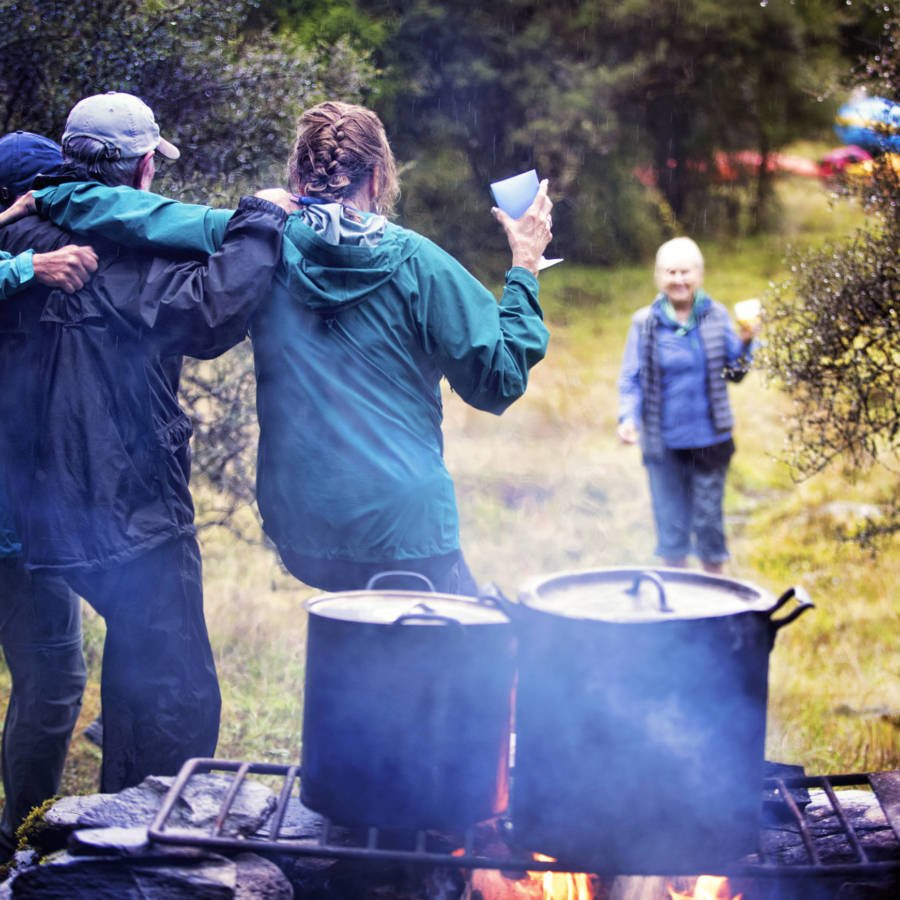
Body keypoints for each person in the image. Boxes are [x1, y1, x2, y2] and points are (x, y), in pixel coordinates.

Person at [12, 100, 553, 595]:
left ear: (296, 175)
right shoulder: (421, 263)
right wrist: (524, 267)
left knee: (353, 657)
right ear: (381, 175)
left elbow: (145, 215)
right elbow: (498, 381)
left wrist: (55, 193)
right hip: (406, 532)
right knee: (472, 652)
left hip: (303, 531)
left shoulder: (256, 236)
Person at [0, 92, 287, 794]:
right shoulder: (104, 249)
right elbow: (209, 313)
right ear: (145, 166)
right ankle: (139, 844)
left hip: (39, 505)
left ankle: (55, 832)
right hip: (116, 501)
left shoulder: (23, 229)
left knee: (88, 672)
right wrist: (261, 223)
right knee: (173, 690)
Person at [0, 131, 91, 860]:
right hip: (14, 531)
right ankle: (25, 837)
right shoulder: (30, 268)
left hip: (23, 522)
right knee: (56, 677)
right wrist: (28, 261)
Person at [616, 237, 759, 574]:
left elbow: (735, 372)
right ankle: (678, 611)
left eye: (686, 272)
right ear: (658, 277)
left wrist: (747, 342)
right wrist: (628, 418)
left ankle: (715, 602)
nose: (678, 280)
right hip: (663, 445)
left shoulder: (716, 316)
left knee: (709, 527)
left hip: (709, 442)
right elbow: (631, 379)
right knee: (671, 530)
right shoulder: (645, 323)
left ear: (699, 275)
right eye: (671, 272)